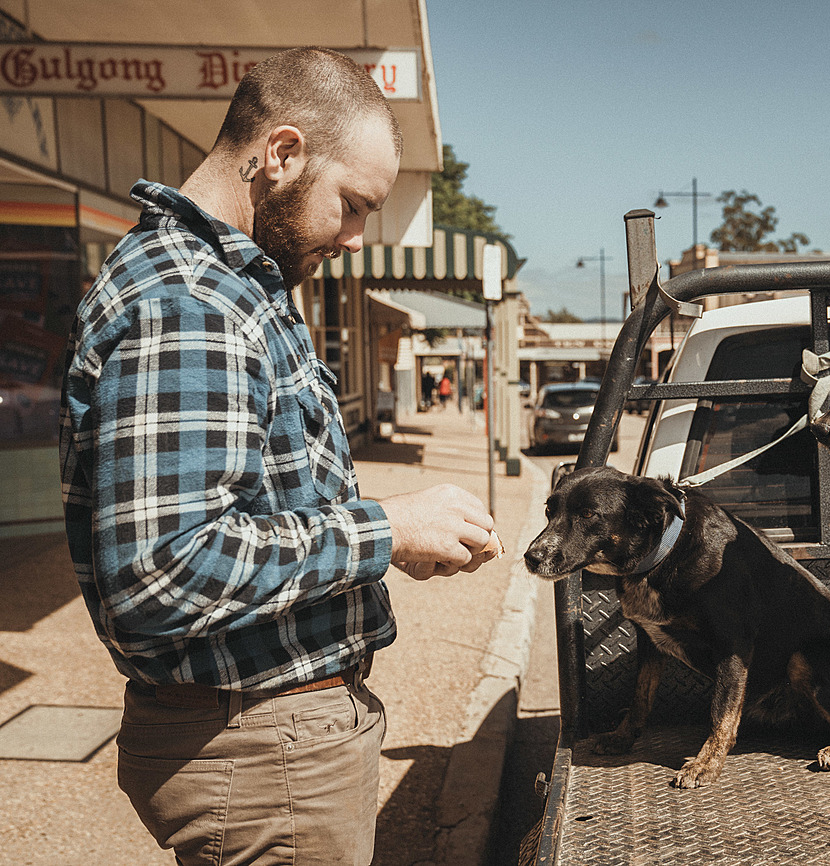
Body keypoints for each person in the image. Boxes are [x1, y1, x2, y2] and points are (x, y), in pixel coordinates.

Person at [58, 47, 501, 866]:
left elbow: (247, 510)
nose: (361, 237)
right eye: (354, 204)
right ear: (283, 153)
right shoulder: (190, 305)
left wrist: (383, 542)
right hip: (259, 752)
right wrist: (385, 533)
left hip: (265, 740)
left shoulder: (234, 286)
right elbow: (164, 571)